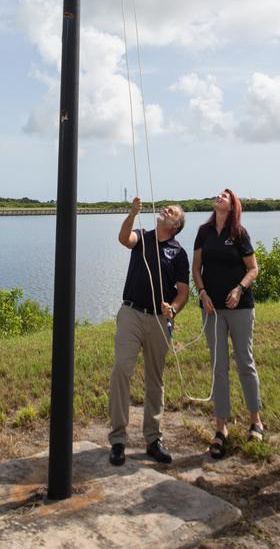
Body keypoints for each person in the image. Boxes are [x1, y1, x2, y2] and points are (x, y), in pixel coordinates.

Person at [108, 196, 189, 466]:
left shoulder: (178, 252)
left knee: (155, 379)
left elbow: (183, 292)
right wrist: (132, 214)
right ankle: (118, 440)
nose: (167, 210)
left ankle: (153, 439)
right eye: (167, 208)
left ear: (176, 225)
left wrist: (173, 309)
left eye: (173, 212)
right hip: (131, 313)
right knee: (121, 369)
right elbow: (123, 238)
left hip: (158, 321)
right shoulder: (142, 237)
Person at [192, 188, 263, 458]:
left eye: (226, 195)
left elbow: (253, 268)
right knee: (218, 366)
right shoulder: (204, 231)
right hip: (211, 309)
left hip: (240, 308)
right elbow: (196, 268)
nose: (219, 196)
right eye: (219, 194)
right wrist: (202, 292)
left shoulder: (240, 233)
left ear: (233, 207)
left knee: (245, 361)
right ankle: (221, 428)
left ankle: (256, 422)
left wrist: (239, 289)